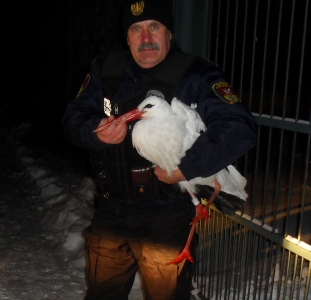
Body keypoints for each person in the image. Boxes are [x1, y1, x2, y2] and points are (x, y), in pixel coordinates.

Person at [62, 0, 258, 299]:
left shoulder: (196, 75)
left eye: (154, 27)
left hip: (167, 218)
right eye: (136, 29)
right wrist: (96, 133)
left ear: (169, 33)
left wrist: (187, 168)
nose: (146, 38)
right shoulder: (106, 69)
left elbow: (238, 126)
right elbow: (73, 118)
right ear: (126, 38)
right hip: (111, 212)